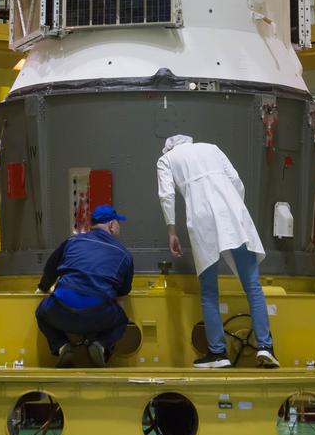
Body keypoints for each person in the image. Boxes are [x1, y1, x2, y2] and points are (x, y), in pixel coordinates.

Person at [156, 134, 279, 369]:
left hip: (202, 220)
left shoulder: (167, 160)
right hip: (232, 213)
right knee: (252, 285)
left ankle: (218, 353)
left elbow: (167, 195)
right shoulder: (212, 147)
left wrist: (172, 230)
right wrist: (234, 210)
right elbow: (236, 181)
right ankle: (265, 347)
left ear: (168, 148)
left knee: (209, 290)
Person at [35, 204, 133, 367]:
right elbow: (124, 290)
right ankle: (100, 345)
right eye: (118, 223)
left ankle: (61, 346)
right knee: (122, 319)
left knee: (41, 312)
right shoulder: (124, 254)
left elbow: (51, 269)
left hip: (61, 309)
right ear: (111, 225)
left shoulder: (72, 242)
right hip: (98, 315)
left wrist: (43, 287)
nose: (119, 227)